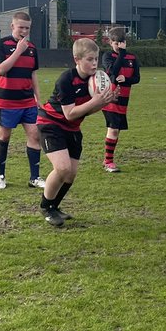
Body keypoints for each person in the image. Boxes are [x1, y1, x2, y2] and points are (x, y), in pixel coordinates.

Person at [36, 38, 116, 226]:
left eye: (96, 59)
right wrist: (95, 101)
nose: (94, 63)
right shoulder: (66, 79)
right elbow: (70, 113)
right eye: (90, 59)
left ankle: (55, 206)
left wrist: (105, 101)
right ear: (77, 60)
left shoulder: (93, 81)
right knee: (62, 168)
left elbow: (87, 111)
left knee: (71, 174)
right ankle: (45, 207)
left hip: (72, 128)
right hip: (51, 124)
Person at [0, 11, 44, 190]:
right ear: (12, 26)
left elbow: (33, 74)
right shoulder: (2, 44)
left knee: (34, 135)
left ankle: (35, 178)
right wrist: (18, 51)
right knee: (4, 136)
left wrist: (38, 97)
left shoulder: (32, 47)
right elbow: (0, 69)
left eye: (27, 28)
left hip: (27, 101)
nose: (24, 31)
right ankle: (0, 176)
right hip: (6, 101)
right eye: (20, 27)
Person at [99, 25, 141, 173]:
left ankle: (108, 159)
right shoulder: (107, 56)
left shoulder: (132, 58)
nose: (118, 46)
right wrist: (121, 54)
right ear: (110, 42)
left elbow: (137, 78)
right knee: (114, 129)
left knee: (116, 131)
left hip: (124, 100)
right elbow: (112, 73)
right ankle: (108, 162)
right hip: (110, 99)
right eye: (115, 43)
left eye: (121, 43)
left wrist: (127, 79)